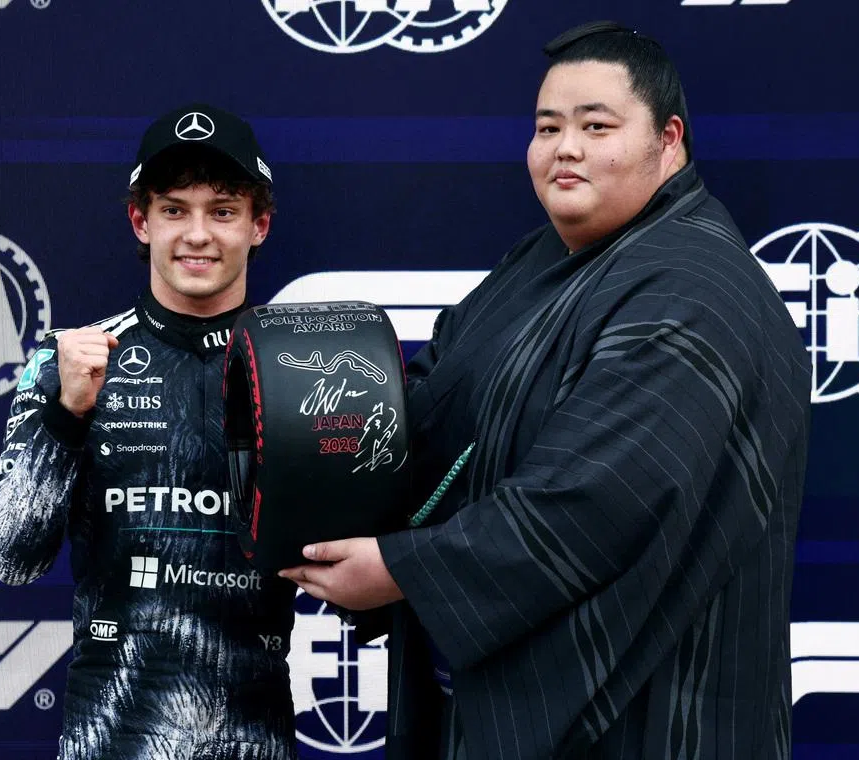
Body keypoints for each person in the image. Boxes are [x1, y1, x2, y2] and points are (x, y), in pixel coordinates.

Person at [279, 21, 811, 760]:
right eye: (547, 127)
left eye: (597, 127)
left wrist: (399, 570)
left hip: (659, 721)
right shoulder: (545, 260)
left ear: (670, 140)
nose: (565, 148)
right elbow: (432, 403)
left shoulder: (693, 288)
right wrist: (293, 449)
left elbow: (590, 502)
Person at [0, 103, 298, 760]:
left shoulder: (301, 368)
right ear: (140, 220)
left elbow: (362, 558)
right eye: (175, 209)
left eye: (223, 210)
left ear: (259, 225)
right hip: (108, 737)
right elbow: (9, 558)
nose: (198, 234)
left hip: (252, 736)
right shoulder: (64, 360)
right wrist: (66, 417)